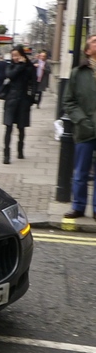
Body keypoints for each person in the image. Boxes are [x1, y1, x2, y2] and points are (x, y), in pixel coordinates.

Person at [62, 34, 96, 219]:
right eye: (94, 41)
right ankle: (78, 206)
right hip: (85, 130)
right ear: (87, 50)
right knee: (81, 172)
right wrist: (82, 121)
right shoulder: (78, 72)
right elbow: (69, 101)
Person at [2, 45, 36, 164]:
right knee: (8, 127)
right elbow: (10, 75)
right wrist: (20, 65)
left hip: (23, 101)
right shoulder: (10, 66)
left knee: (21, 128)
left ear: (22, 55)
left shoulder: (29, 67)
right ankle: (6, 154)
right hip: (11, 100)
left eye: (17, 55)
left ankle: (20, 150)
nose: (15, 57)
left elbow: (34, 82)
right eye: (13, 55)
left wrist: (32, 99)